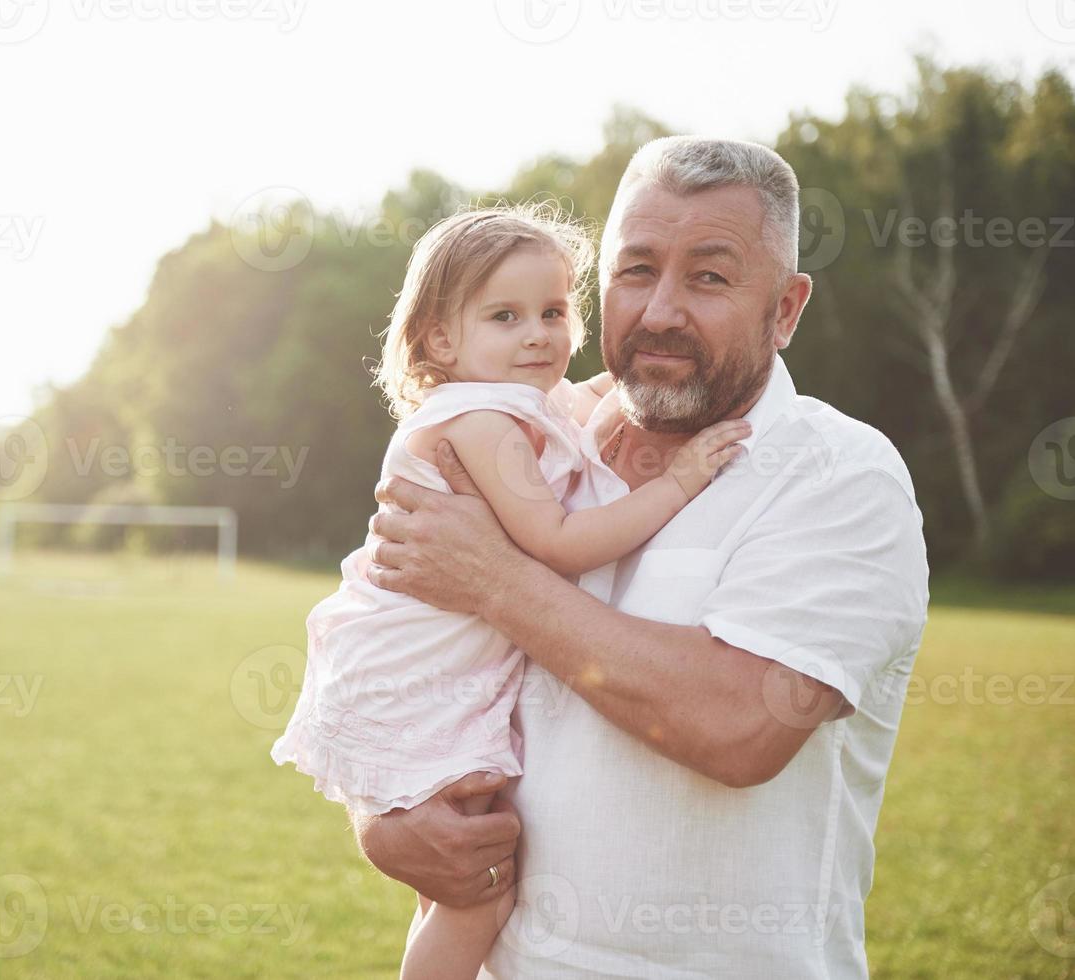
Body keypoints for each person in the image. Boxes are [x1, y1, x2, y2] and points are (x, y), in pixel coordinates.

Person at [355, 137, 931, 978]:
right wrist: (386, 819)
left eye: (708, 276)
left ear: (784, 308)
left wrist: (495, 581)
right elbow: (392, 644)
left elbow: (741, 727)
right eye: (634, 270)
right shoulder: (526, 439)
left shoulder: (839, 474)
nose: (659, 311)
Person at [271, 203, 750, 980]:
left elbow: (593, 394)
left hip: (411, 665)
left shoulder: (516, 400)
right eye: (505, 316)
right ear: (440, 339)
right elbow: (555, 545)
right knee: (479, 897)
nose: (538, 334)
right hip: (411, 678)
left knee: (453, 881)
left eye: (554, 311)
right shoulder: (482, 424)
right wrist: (683, 479)